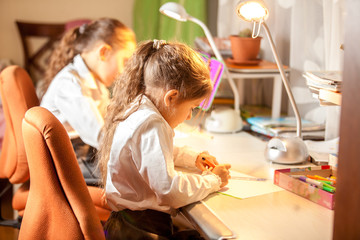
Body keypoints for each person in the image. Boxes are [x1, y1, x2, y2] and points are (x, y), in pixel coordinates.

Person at [97, 40, 231, 239]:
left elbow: (153, 153)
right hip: (140, 231)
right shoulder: (152, 123)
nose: (188, 117)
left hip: (126, 226)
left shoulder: (140, 108)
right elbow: (169, 190)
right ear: (171, 97)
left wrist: (193, 157)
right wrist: (214, 180)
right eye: (191, 108)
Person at [39, 18, 136, 180]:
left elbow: (111, 121)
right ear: (104, 52)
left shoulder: (94, 83)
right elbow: (101, 137)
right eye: (124, 61)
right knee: (132, 177)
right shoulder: (70, 85)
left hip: (82, 152)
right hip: (64, 162)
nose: (124, 71)